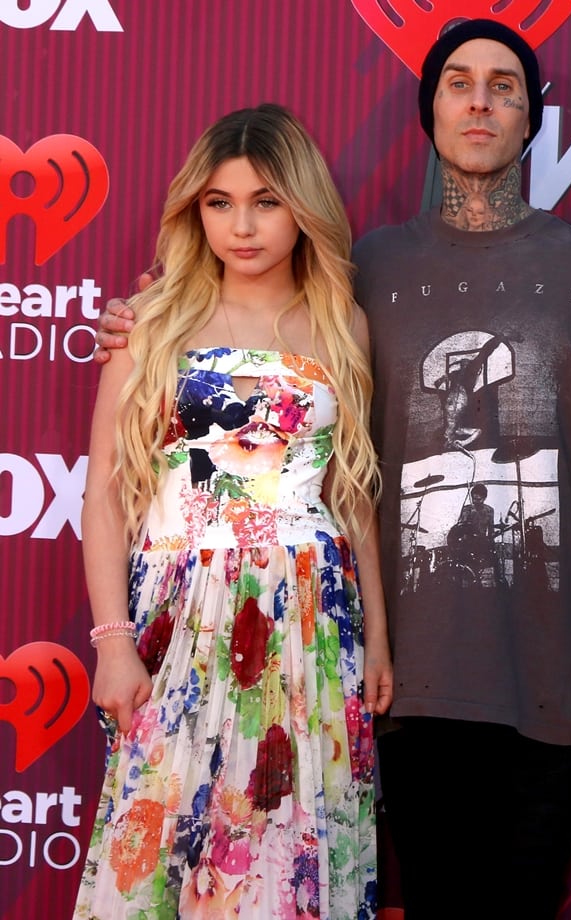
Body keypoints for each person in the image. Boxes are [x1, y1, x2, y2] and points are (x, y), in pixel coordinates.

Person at [353, 20, 571, 917]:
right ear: (430, 112)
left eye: (504, 85)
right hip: (404, 677)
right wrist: (150, 327)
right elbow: (253, 332)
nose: (480, 99)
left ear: (531, 119)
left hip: (544, 673)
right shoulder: (364, 265)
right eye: (458, 82)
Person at [77, 103, 391, 919]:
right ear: (195, 210)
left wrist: (378, 643)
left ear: (304, 206)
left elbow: (352, 497)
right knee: (156, 848)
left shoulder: (341, 323)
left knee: (288, 847)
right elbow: (106, 496)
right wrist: (112, 644)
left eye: (266, 201)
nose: (242, 226)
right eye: (220, 203)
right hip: (179, 614)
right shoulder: (153, 323)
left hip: (313, 624)